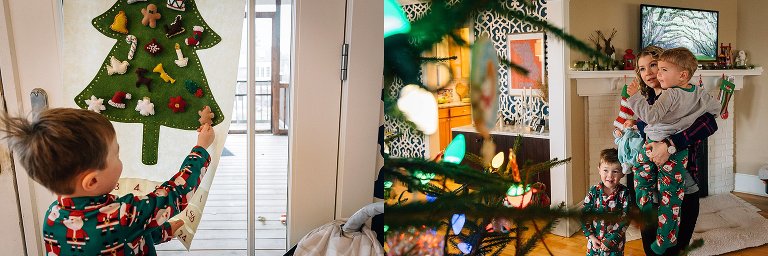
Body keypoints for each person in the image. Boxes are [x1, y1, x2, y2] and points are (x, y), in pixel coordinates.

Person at [0, 108, 215, 255]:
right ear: (92, 181)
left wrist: (165, 230)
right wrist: (201, 148)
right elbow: (177, 193)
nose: (120, 160)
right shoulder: (122, 215)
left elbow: (123, 238)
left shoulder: (53, 217)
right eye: (116, 155)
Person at [624, 45, 719, 256]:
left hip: (682, 185)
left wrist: (669, 145)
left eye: (654, 65)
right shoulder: (647, 102)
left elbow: (709, 124)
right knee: (651, 250)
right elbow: (646, 128)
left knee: (677, 249)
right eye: (641, 69)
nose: (649, 72)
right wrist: (638, 126)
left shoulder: (688, 98)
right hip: (651, 190)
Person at [581, 148, 631, 256]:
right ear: (599, 169)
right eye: (605, 170)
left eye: (615, 171)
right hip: (594, 243)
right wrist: (591, 237)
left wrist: (610, 239)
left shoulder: (624, 193)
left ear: (622, 173)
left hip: (615, 244)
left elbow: (625, 218)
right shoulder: (593, 191)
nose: (610, 176)